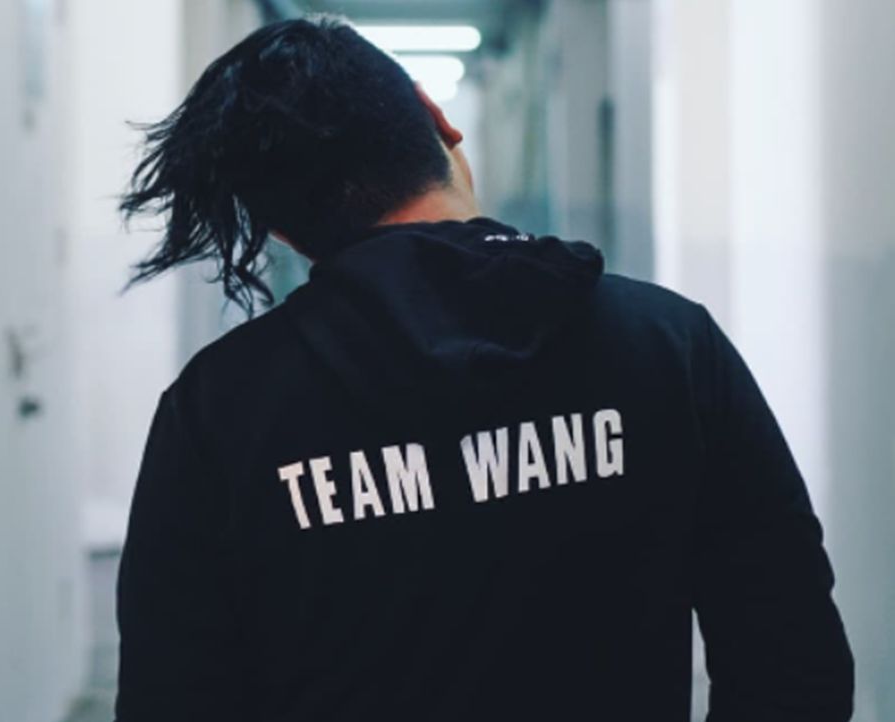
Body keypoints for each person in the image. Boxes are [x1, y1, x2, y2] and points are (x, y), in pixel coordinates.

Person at [114, 14, 854, 722]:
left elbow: (173, 700)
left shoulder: (218, 410)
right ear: (436, 117)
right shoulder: (668, 345)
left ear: (278, 228)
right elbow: (794, 665)